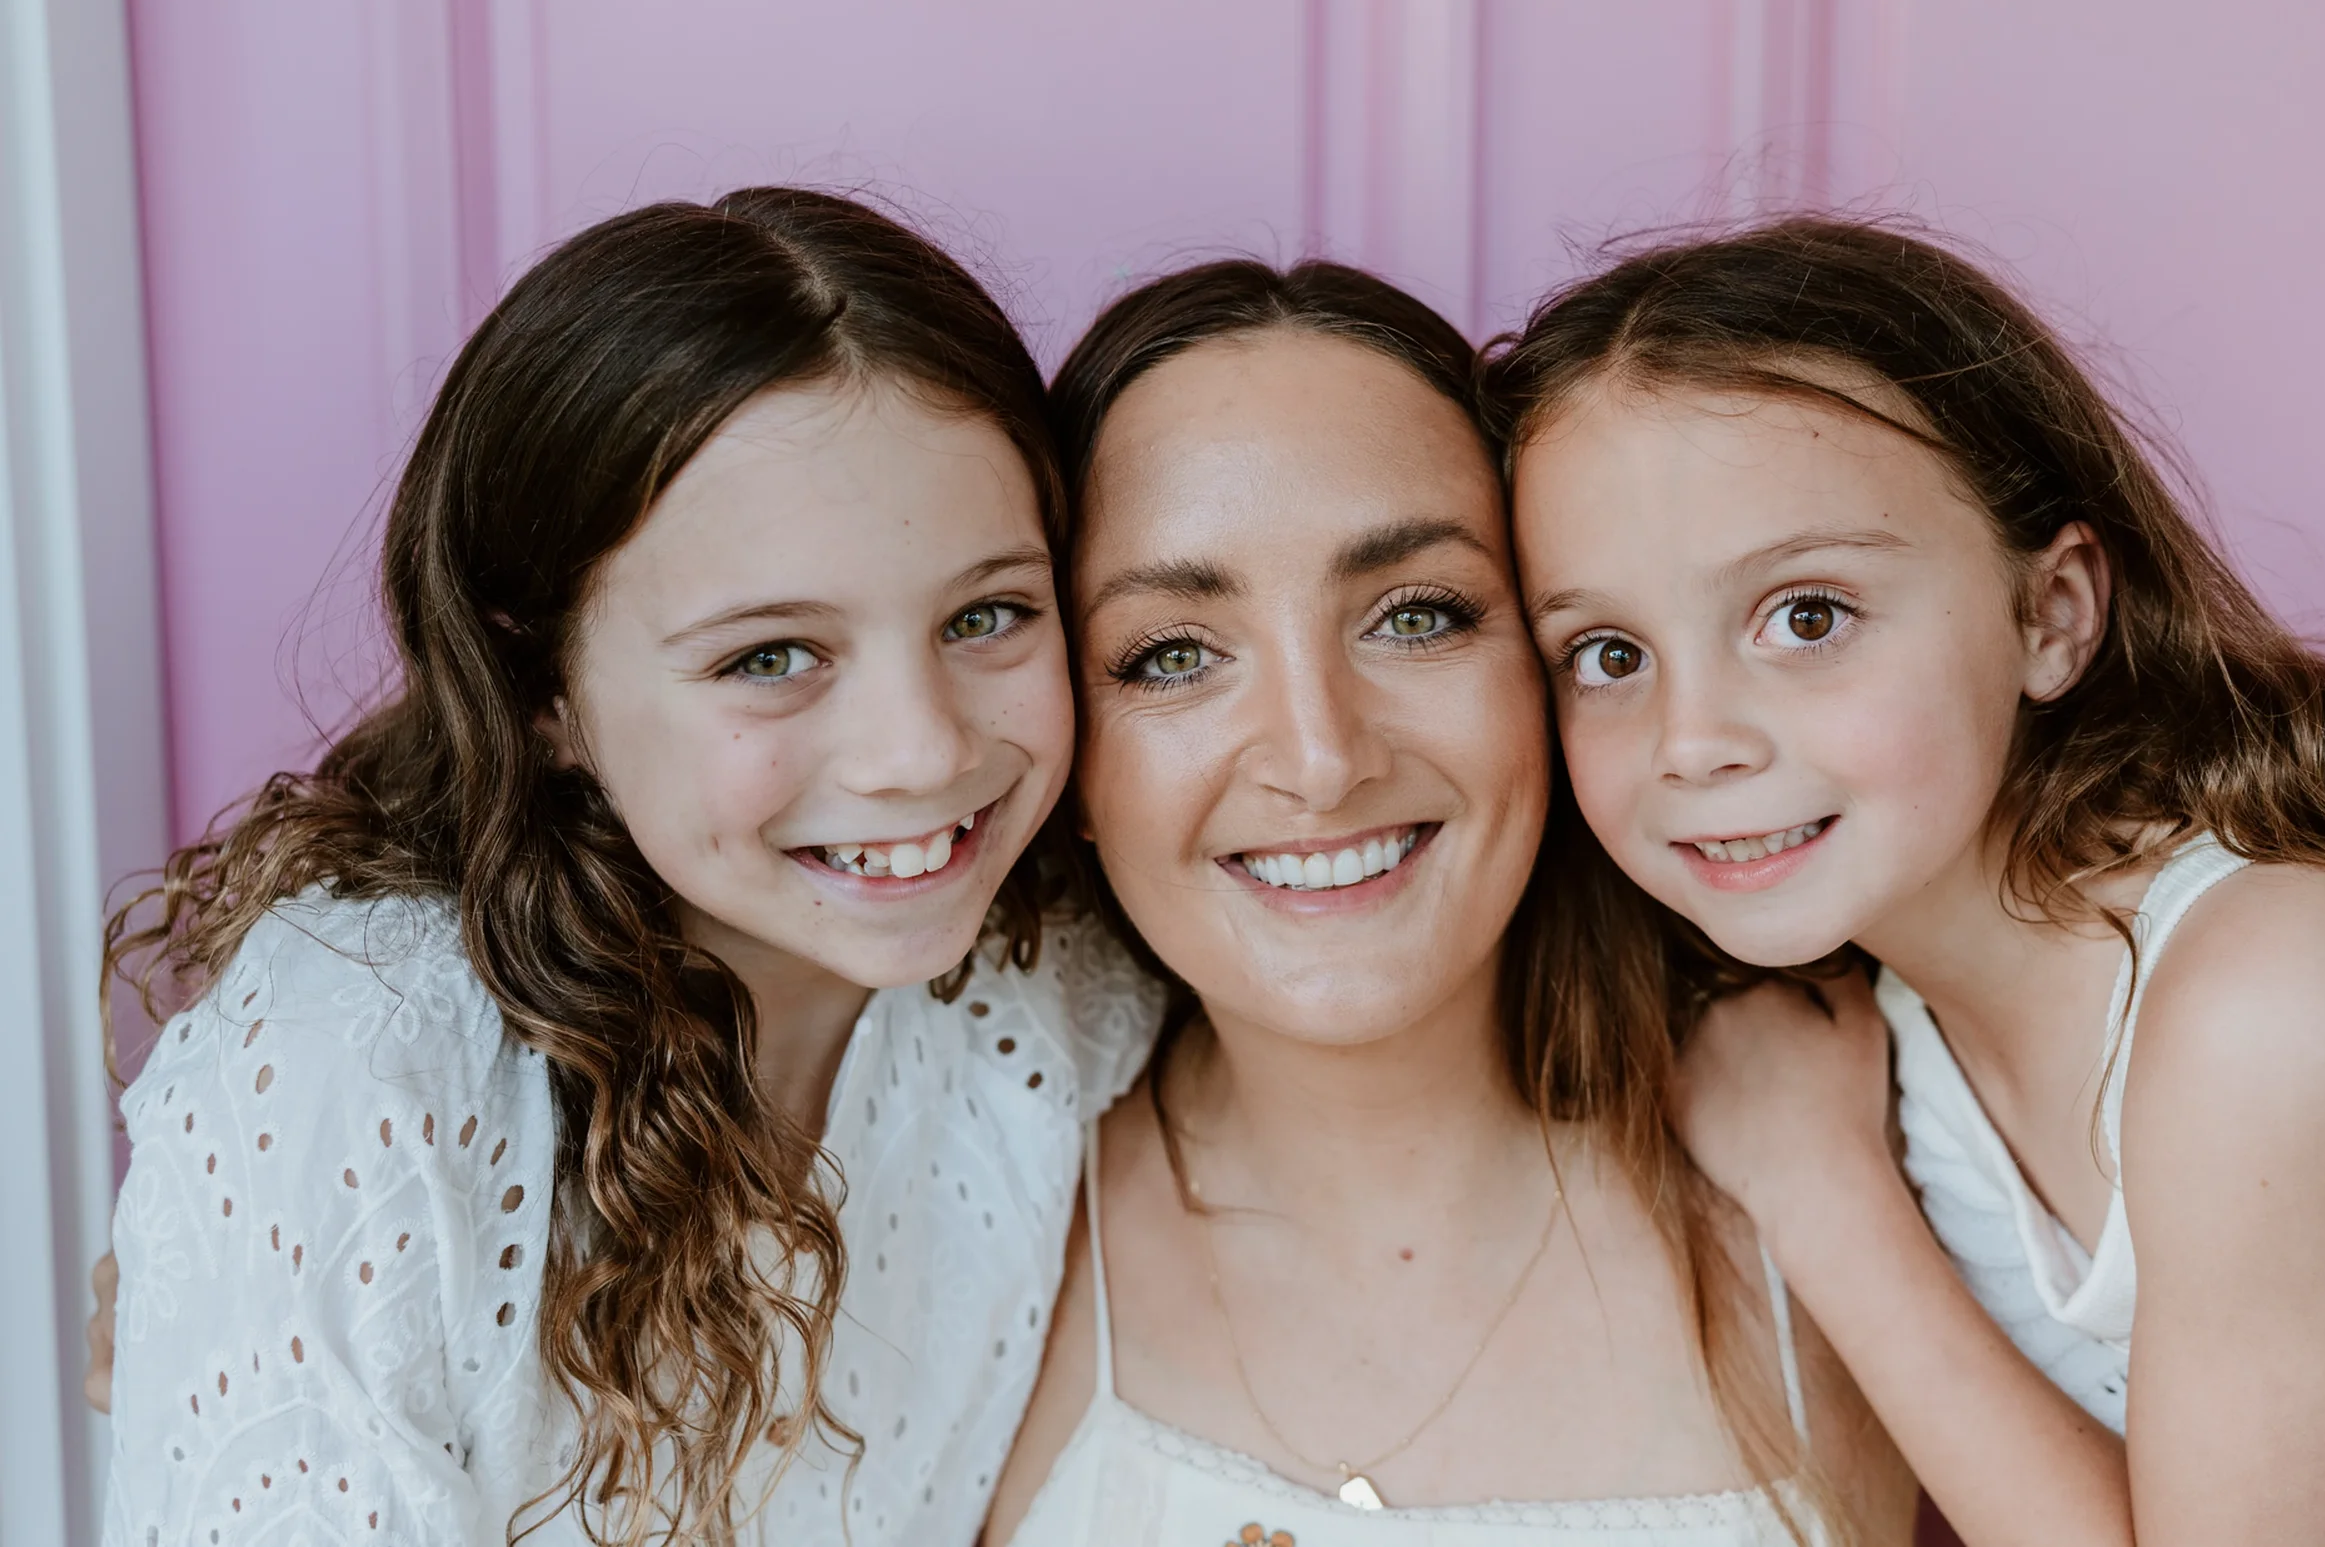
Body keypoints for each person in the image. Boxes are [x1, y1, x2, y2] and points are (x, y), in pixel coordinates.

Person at [100, 187, 1159, 1547]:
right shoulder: (358, 1062)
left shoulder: (1064, 988)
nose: (918, 750)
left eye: (988, 613)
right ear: (542, 686)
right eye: (770, 655)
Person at [1492, 216, 2325, 1545]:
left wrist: (1822, 1192)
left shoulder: (2271, 991)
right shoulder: (1872, 1025)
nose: (1693, 741)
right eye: (1609, 651)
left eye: (1807, 614)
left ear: (2052, 613)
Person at [984, 260, 1917, 1544]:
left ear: (1555, 672)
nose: (1320, 758)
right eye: (1174, 654)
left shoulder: (1856, 1151)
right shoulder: (976, 1213)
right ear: (1066, 750)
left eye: (1416, 616)